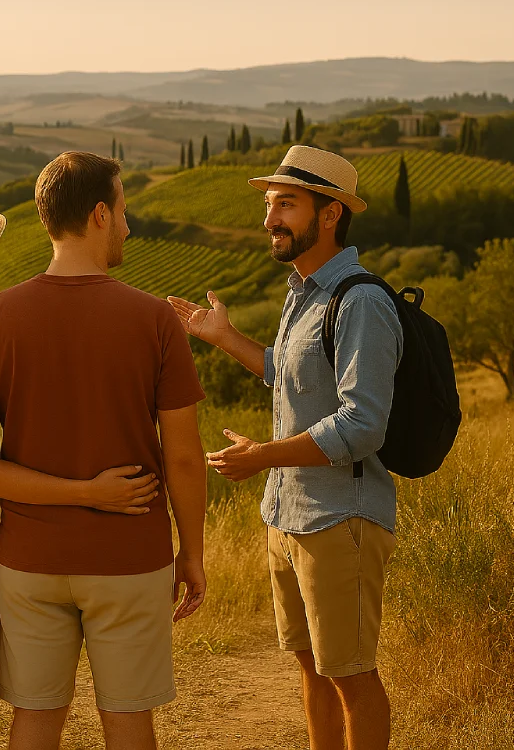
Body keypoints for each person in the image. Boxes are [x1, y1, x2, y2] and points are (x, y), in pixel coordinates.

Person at [0, 153, 209, 750]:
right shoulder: (155, 320)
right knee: (128, 719)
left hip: (27, 563)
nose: (128, 225)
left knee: (35, 721)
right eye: (124, 210)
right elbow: (182, 456)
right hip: (129, 556)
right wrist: (192, 553)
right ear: (100, 215)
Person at [168, 145, 402, 750]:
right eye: (270, 204)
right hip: (288, 515)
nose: (270, 218)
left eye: (287, 205)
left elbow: (362, 425)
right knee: (311, 670)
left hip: (339, 519)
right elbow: (289, 374)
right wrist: (223, 338)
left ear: (330, 215)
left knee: (351, 676)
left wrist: (261, 457)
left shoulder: (363, 301)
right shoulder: (304, 290)